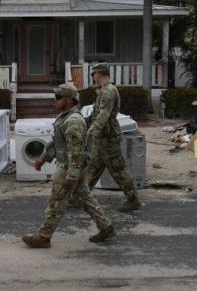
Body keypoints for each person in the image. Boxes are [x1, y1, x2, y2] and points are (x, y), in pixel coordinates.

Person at [22, 84, 115, 248]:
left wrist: (71, 176)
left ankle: (44, 236)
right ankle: (106, 227)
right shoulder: (64, 117)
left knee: (56, 202)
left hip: (69, 167)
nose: (55, 101)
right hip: (72, 166)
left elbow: (76, 152)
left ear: (69, 99)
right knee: (85, 199)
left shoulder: (73, 121)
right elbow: (57, 142)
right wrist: (43, 158)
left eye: (58, 98)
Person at [84, 63, 141, 211]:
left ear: (99, 74)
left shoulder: (108, 91)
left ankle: (133, 199)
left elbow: (104, 115)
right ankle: (80, 196)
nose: (93, 77)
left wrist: (92, 131)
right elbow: (97, 113)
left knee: (118, 169)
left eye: (93, 74)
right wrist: (85, 122)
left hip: (108, 138)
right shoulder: (103, 90)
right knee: (93, 167)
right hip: (102, 137)